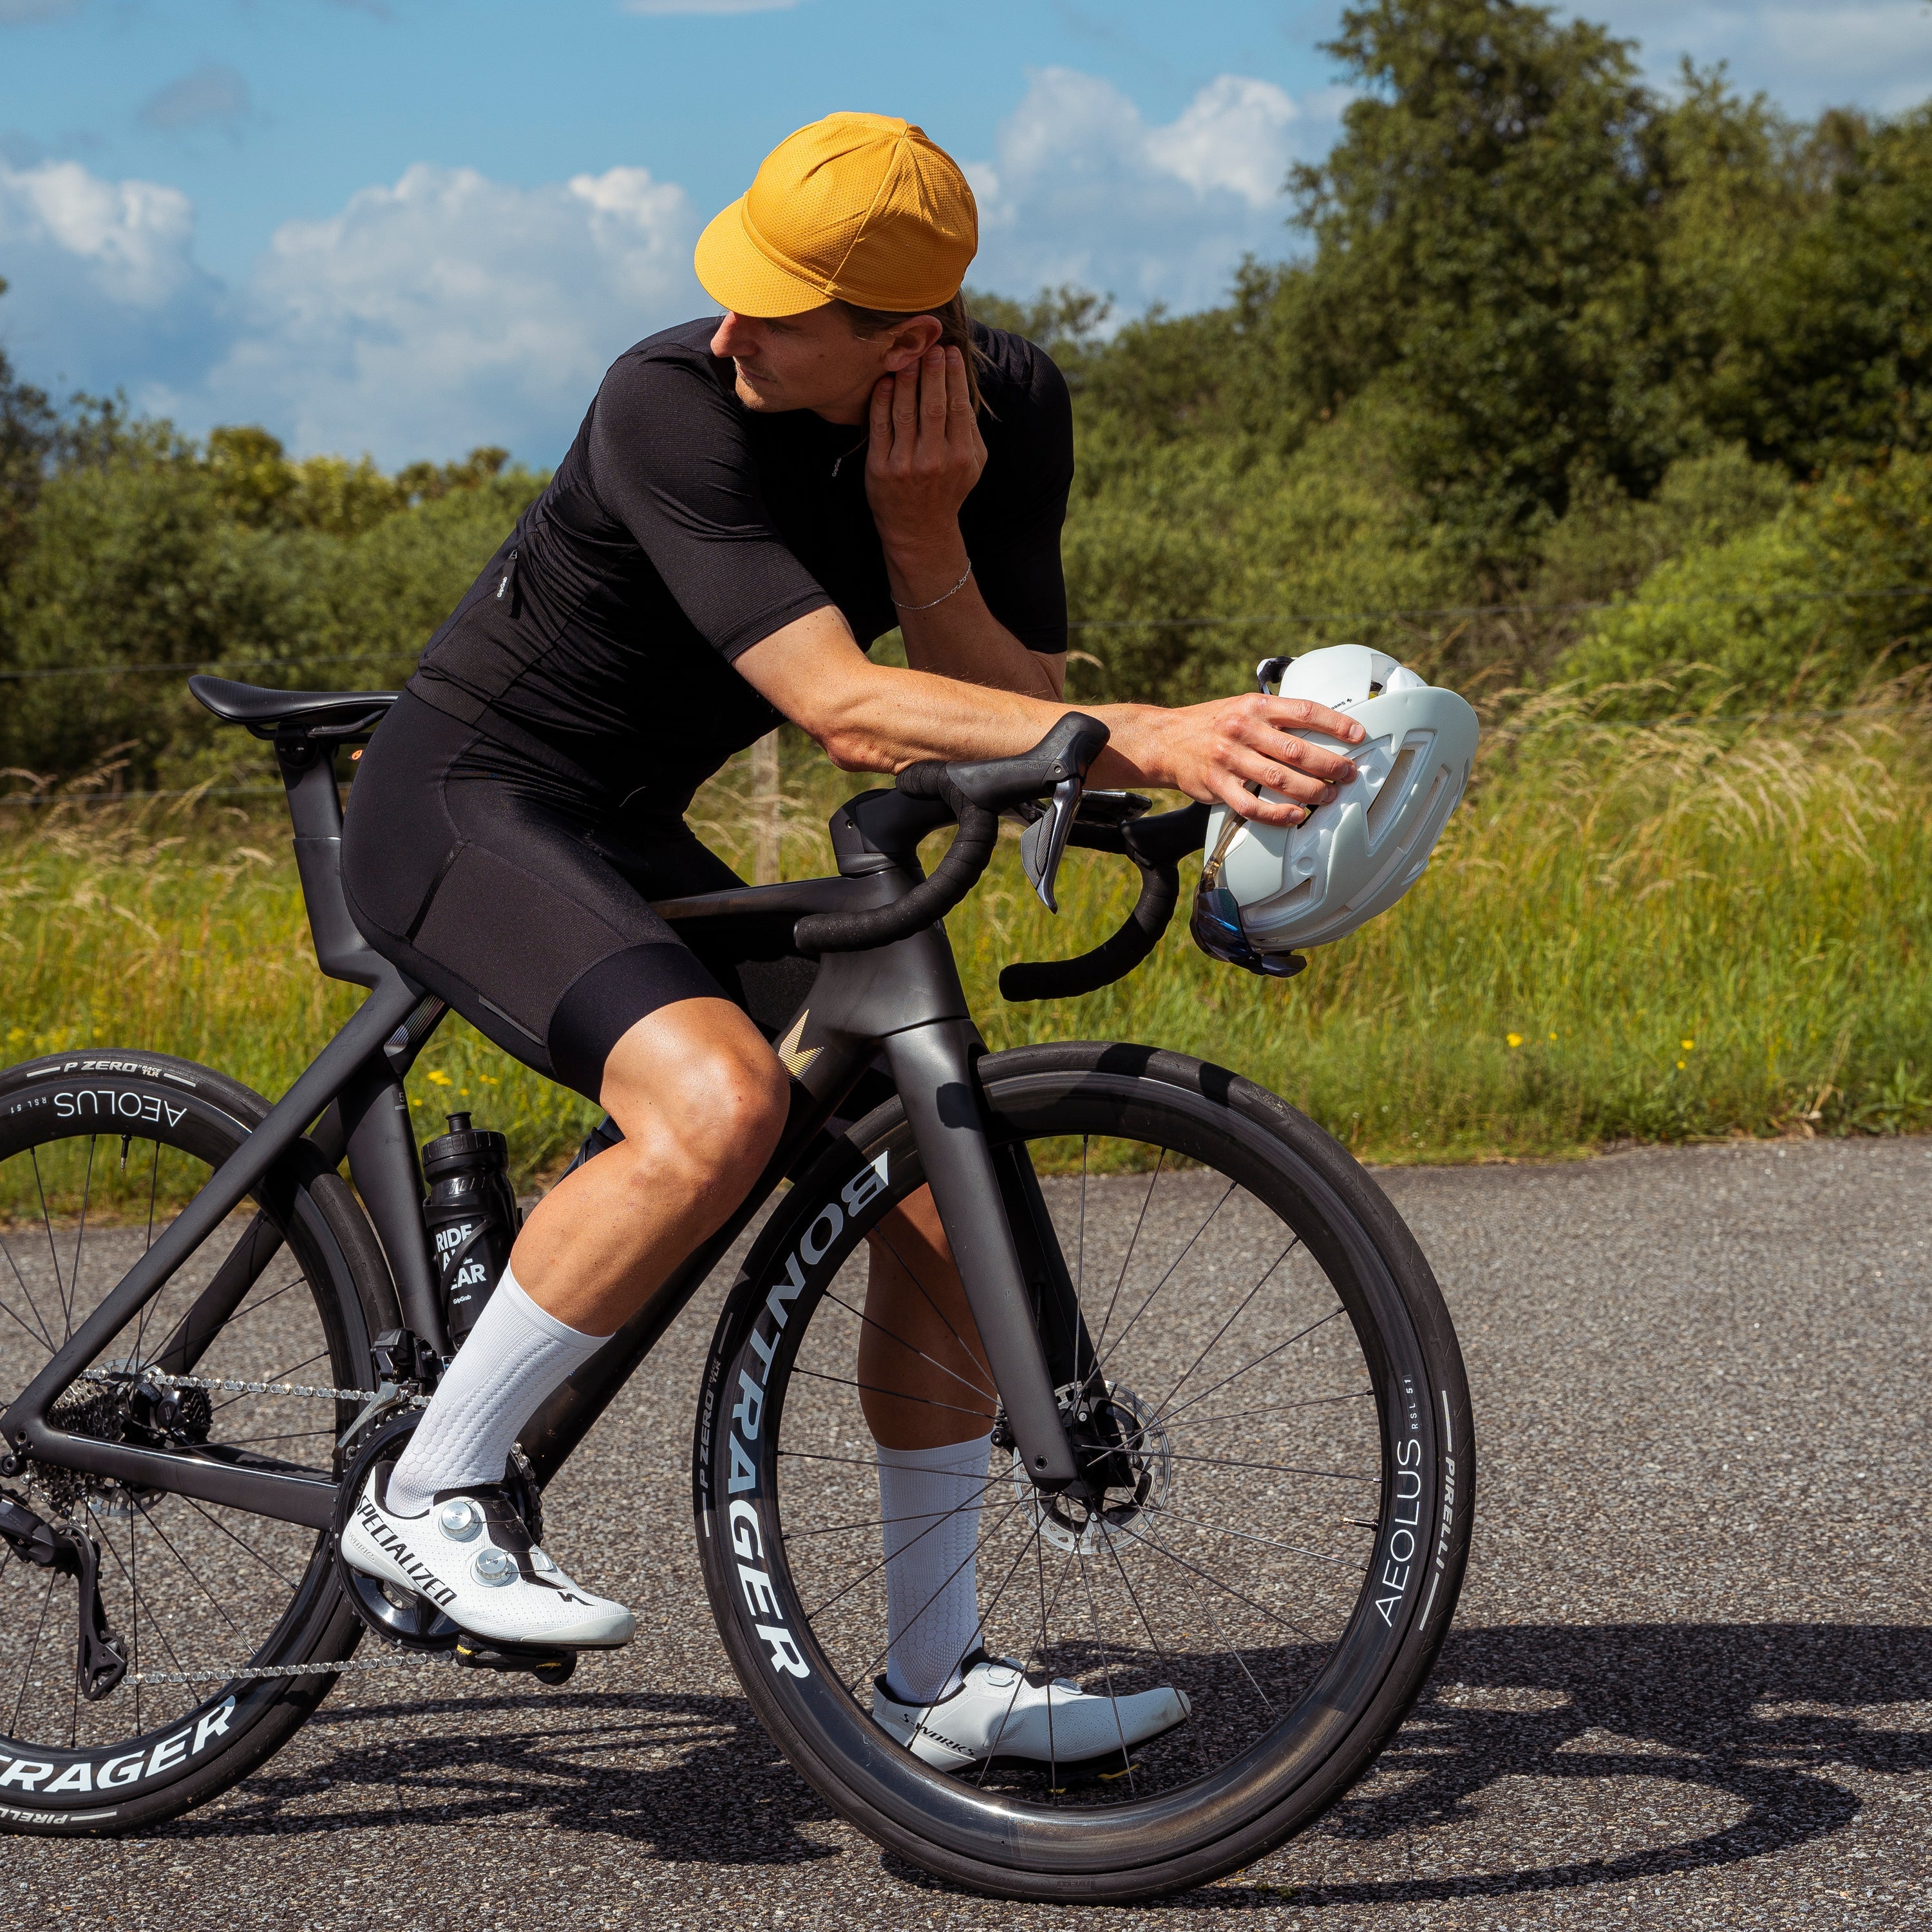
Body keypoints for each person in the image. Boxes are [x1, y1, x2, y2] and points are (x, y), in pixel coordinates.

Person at [337, 111, 1364, 1768]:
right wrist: (1159, 735)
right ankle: (426, 1488)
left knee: (939, 1204)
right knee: (718, 1108)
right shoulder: (667, 400)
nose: (731, 327)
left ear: (907, 339)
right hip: (463, 799)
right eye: (733, 284)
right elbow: (843, 708)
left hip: (623, 830)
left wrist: (926, 535)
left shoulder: (1005, 411)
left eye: (780, 307)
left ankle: (935, 1685)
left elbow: (1016, 717)